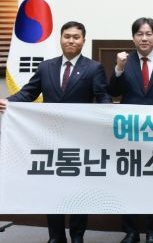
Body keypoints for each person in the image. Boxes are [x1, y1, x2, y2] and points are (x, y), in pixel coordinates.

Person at [0, 21, 110, 243]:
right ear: (60, 39)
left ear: (83, 41)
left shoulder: (93, 68)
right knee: (52, 188)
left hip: (80, 140)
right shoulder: (46, 67)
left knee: (79, 189)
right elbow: (28, 93)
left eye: (76, 37)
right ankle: (56, 236)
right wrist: (8, 101)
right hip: (50, 138)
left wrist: (108, 115)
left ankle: (77, 235)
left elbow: (103, 97)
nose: (71, 40)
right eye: (67, 36)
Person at [107, 17, 153, 243]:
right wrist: (118, 69)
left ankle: (152, 231)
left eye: (148, 34)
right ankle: (131, 231)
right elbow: (113, 92)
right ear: (133, 38)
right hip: (129, 131)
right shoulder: (124, 61)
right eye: (139, 34)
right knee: (127, 181)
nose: (144, 38)